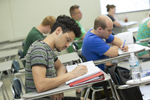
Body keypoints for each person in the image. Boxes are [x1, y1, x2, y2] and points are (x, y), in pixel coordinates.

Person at [25, 15, 89, 100]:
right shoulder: (39, 49)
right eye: (67, 39)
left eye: (70, 42)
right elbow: (41, 85)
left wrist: (58, 86)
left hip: (50, 96)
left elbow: (61, 67)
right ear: (58, 31)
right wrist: (72, 74)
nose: (67, 45)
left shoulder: (48, 49)